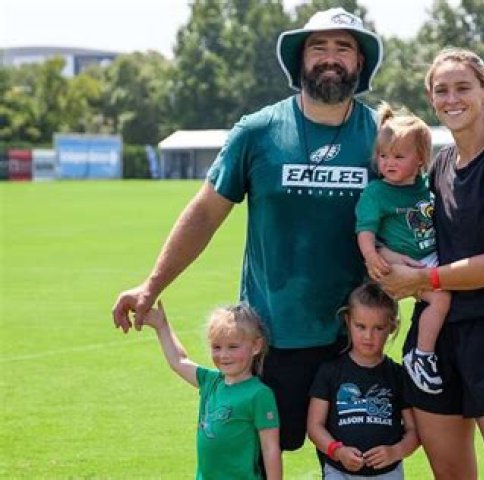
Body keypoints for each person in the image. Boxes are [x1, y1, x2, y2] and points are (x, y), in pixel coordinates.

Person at [112, 8, 384, 452]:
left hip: (353, 340)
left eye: (344, 48)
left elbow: (411, 219)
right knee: (252, 465)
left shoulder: (383, 136)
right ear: (299, 60)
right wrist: (152, 285)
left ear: (360, 62)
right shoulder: (257, 132)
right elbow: (205, 214)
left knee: (353, 465)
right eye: (318, 47)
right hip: (265, 340)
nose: (330, 57)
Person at [377, 47, 484, 479]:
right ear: (431, 98)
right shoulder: (438, 167)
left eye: (462, 88)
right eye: (441, 91)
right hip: (434, 344)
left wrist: (421, 278)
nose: (451, 99)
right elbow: (411, 237)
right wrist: (388, 263)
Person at [355, 102, 450, 395]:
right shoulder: (377, 192)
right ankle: (421, 355)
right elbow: (365, 230)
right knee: (441, 298)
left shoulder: (426, 186)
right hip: (396, 265)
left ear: (421, 159)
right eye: (383, 156)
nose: (388, 163)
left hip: (428, 257)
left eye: (398, 156)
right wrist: (372, 256)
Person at [142, 301, 281, 479]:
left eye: (233, 347)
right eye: (216, 347)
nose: (224, 355)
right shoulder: (210, 381)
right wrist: (161, 326)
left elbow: (270, 448)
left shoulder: (259, 394)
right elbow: (179, 361)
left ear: (256, 346)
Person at [307, 283, 419, 479]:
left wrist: (396, 451)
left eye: (378, 328)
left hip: (388, 473)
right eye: (360, 326)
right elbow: (314, 426)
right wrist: (337, 451)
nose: (368, 336)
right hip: (339, 472)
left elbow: (415, 431)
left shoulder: (398, 375)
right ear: (348, 321)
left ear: (392, 327)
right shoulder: (330, 371)